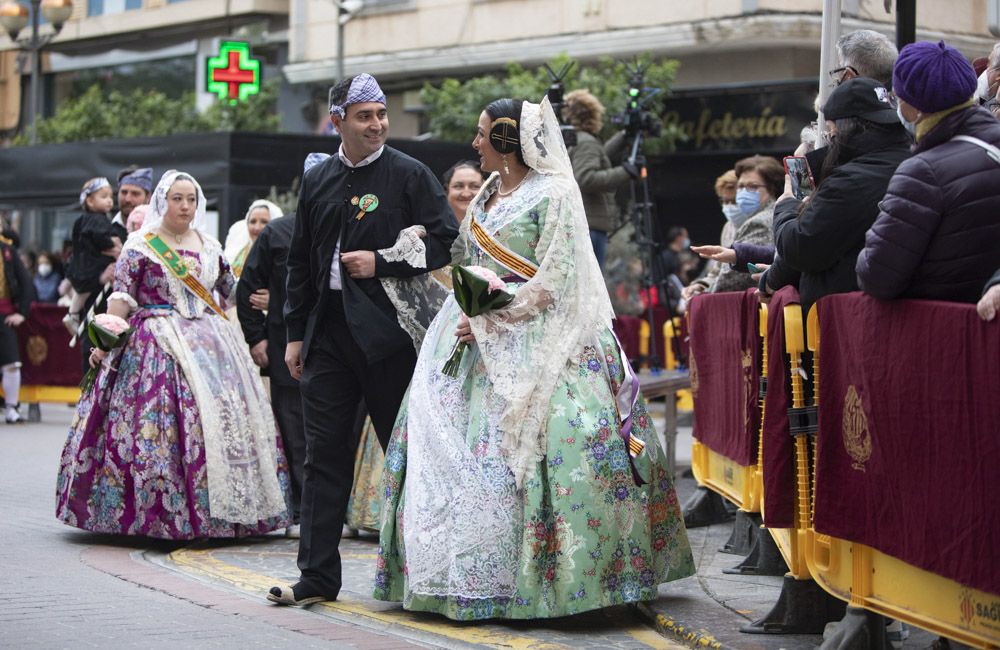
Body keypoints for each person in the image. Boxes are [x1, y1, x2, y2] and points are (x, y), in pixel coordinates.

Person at [374, 96, 694, 620]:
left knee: (571, 435)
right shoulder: (489, 194)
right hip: (470, 331)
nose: (474, 144)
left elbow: (557, 276)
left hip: (542, 336)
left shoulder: (556, 192)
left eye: (482, 134)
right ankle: (461, 572)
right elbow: (467, 262)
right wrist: (419, 251)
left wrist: (493, 320)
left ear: (505, 139)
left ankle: (560, 581)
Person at [268, 73, 457, 607]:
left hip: (389, 339)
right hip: (326, 336)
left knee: (407, 455)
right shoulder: (320, 178)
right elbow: (303, 261)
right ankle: (317, 577)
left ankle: (426, 572)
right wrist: (293, 334)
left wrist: (384, 261)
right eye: (364, 116)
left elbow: (447, 240)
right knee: (322, 456)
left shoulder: (410, 174)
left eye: (380, 115)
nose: (376, 124)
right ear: (338, 122)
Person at [56, 170, 290, 538]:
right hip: (154, 344)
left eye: (191, 199)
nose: (184, 206)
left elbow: (231, 293)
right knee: (159, 425)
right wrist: (105, 340)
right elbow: (122, 298)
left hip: (212, 344)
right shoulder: (141, 243)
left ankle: (228, 514)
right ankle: (155, 514)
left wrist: (267, 300)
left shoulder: (210, 246)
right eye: (177, 199)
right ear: (162, 202)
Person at [856, 41, 1000, 303]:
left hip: (946, 332)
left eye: (898, 97)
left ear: (914, 108)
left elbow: (877, 275)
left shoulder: (922, 173)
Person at [757, 78, 911, 315]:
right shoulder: (910, 160)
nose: (830, 140)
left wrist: (788, 204)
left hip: (850, 321)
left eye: (830, 132)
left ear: (847, 129)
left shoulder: (849, 182)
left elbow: (802, 247)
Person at [237, 202, 304, 539]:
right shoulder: (277, 233)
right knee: (293, 431)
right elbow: (247, 287)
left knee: (339, 434)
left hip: (340, 350)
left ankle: (337, 508)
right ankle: (301, 510)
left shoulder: (352, 226)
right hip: (284, 347)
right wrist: (256, 338)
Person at [683, 155, 782, 300]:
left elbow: (735, 278)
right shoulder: (732, 226)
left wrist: (701, 295)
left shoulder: (760, 220)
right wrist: (702, 285)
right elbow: (719, 269)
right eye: (741, 186)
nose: (744, 192)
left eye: (752, 186)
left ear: (771, 188)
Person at [563, 89, 637, 270]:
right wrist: (625, 171)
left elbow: (598, 155)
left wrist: (623, 137)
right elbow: (586, 178)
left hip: (586, 225)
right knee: (592, 290)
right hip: (590, 227)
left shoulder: (579, 140)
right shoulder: (586, 142)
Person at [63, 178, 121, 335]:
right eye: (104, 197)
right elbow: (100, 237)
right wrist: (112, 244)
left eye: (110, 197)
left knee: (81, 292)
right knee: (87, 289)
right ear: (89, 201)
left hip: (81, 263)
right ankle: (73, 314)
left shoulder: (82, 220)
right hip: (93, 265)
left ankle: (73, 313)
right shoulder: (98, 220)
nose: (109, 201)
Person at [0, 233, 35, 424]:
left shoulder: (7, 250)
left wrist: (22, 312)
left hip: (4, 315)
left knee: (12, 364)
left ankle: (11, 408)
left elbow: (26, 283)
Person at [226, 200, 284, 279]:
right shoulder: (237, 249)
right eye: (253, 222)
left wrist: (274, 291)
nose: (257, 227)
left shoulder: (283, 255)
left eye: (264, 222)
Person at [832, 29, 899, 87]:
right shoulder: (900, 99)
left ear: (849, 76)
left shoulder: (840, 100)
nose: (837, 79)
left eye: (840, 69)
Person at [111, 166, 153, 242]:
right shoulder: (105, 230)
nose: (127, 199)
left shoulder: (158, 230)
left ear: (148, 197)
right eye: (124, 192)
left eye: (135, 194)